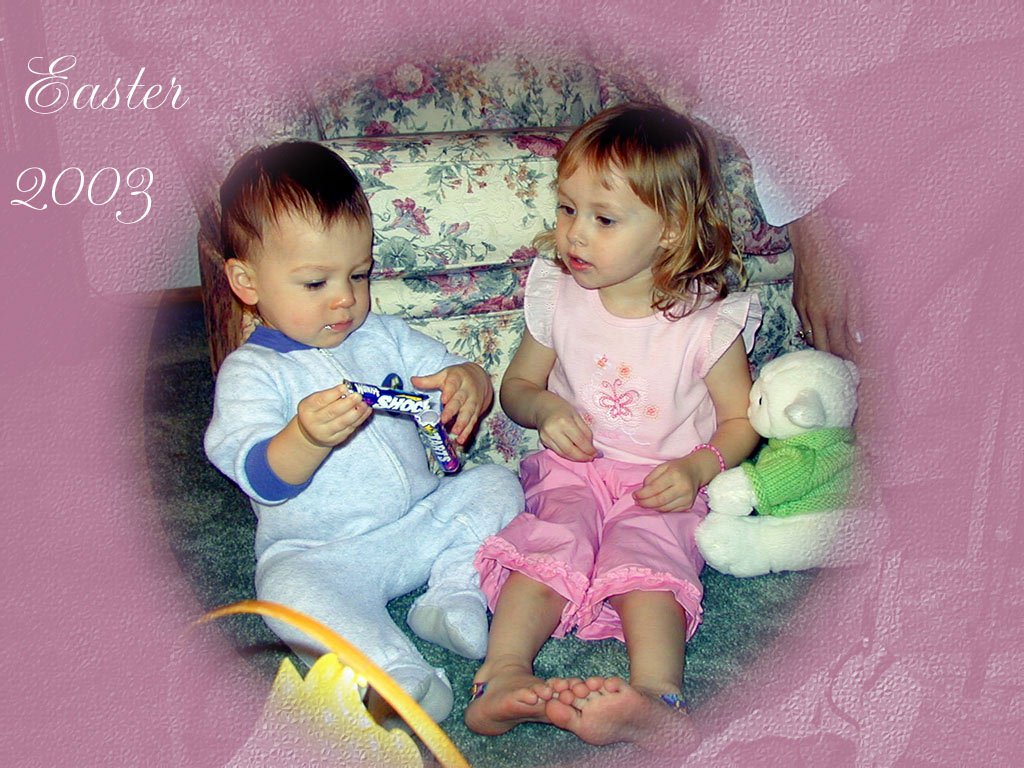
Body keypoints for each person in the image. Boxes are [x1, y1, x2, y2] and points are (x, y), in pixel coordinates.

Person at [464, 103, 762, 749]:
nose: (574, 235)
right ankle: (502, 675)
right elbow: (518, 388)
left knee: (648, 563)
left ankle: (656, 697)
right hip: (572, 470)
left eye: (603, 219)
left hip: (662, 483)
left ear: (670, 229)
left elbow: (742, 422)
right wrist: (546, 410)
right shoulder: (558, 295)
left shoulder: (708, 324)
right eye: (566, 208)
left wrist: (698, 467)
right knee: (550, 545)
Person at [204, 140, 522, 723]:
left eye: (358, 274)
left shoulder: (383, 333)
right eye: (314, 283)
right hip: (326, 553)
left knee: (499, 484)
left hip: (420, 520)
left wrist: (470, 380)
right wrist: (305, 438)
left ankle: (451, 593)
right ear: (247, 282)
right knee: (283, 590)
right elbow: (260, 477)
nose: (346, 299)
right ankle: (393, 670)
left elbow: (447, 371)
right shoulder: (251, 373)